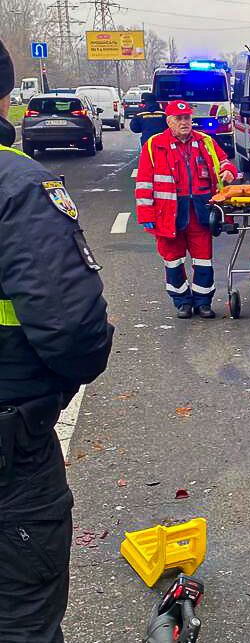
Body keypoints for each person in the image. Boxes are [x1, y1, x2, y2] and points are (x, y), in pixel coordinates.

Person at [0, 38, 114, 643]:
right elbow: (74, 333)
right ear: (9, 99)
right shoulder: (19, 189)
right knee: (20, 620)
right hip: (10, 458)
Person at [135, 100, 237, 319]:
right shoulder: (154, 145)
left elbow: (224, 162)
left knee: (203, 259)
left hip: (200, 211)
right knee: (173, 259)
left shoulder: (205, 141)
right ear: (169, 121)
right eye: (179, 119)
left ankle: (203, 302)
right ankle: (182, 301)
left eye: (187, 118)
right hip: (168, 213)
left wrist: (229, 172)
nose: (184, 122)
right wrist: (146, 215)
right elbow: (144, 183)